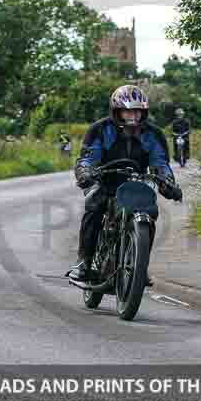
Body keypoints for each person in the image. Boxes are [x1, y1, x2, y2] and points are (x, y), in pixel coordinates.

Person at [68, 85, 182, 281]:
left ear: (143, 112)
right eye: (127, 110)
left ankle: (140, 265)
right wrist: (85, 172)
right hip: (105, 181)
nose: (133, 116)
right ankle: (84, 262)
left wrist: (168, 182)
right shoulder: (100, 129)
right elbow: (88, 157)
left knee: (150, 211)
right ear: (116, 111)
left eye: (137, 111)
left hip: (136, 183)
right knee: (94, 205)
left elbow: (160, 163)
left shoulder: (153, 134)